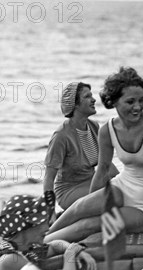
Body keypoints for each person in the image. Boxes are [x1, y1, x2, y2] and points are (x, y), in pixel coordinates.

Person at [45, 67, 143, 242]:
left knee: (90, 225)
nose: (137, 107)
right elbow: (102, 170)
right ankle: (40, 239)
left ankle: (40, 246)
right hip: (121, 187)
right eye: (130, 102)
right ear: (114, 102)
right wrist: (91, 203)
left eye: (141, 100)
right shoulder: (107, 129)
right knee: (80, 208)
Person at [0, 191, 97, 270]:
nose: (48, 227)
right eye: (43, 221)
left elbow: (55, 245)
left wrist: (72, 248)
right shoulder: (11, 259)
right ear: (27, 226)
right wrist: (70, 253)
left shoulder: (26, 249)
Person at [43, 82, 119, 210]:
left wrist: (122, 180)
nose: (94, 99)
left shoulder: (94, 127)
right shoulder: (61, 136)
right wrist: (49, 212)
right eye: (87, 96)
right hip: (69, 190)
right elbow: (48, 179)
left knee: (124, 189)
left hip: (92, 182)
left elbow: (105, 164)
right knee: (112, 195)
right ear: (75, 104)